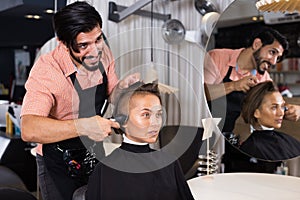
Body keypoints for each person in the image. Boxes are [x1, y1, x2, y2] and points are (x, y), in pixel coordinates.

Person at [20, 2, 139, 200]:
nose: (94, 51)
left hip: (93, 152)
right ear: (64, 43)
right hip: (57, 162)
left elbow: (112, 95)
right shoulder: (47, 70)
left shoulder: (103, 52)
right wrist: (84, 126)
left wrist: (123, 88)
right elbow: (29, 128)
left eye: (98, 39)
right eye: (83, 45)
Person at [86, 82, 195, 200]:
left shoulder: (170, 163)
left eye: (158, 114)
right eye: (146, 115)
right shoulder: (105, 169)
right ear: (123, 121)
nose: (155, 122)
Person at [204, 27, 300, 133]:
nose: (273, 62)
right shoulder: (217, 57)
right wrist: (234, 85)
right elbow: (201, 95)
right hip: (197, 126)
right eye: (272, 52)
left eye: (277, 58)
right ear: (257, 44)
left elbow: (275, 104)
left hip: (223, 133)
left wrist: (293, 110)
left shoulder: (263, 78)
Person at [240, 81, 300, 161]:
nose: (281, 113)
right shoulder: (252, 148)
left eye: (282, 106)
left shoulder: (288, 141)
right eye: (274, 107)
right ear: (256, 113)